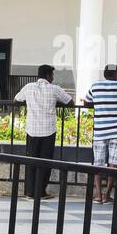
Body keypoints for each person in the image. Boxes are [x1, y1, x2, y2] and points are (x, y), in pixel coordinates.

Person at [13, 64, 72, 199]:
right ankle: (41, 192)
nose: (52, 78)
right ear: (48, 76)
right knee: (45, 163)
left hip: (32, 130)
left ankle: (30, 191)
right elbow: (70, 102)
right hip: (48, 131)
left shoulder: (28, 87)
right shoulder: (54, 89)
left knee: (31, 161)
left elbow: (16, 100)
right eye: (52, 75)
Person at [87, 64, 117, 204]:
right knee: (114, 163)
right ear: (114, 75)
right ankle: (107, 194)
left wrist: (99, 104)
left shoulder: (95, 86)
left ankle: (98, 194)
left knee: (98, 163)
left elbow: (86, 102)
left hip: (100, 131)